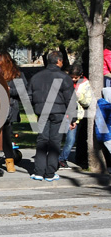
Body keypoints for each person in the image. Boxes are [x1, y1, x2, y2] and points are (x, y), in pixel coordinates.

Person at [28, 50, 75, 181]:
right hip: (58, 111)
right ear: (59, 61)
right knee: (55, 141)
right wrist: (73, 118)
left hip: (42, 111)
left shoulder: (36, 77)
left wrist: (36, 107)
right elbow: (70, 99)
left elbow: (29, 96)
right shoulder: (64, 77)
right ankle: (50, 172)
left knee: (42, 140)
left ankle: (38, 171)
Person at [0, 50, 27, 173]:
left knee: (7, 136)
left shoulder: (15, 74)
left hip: (9, 108)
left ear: (5, 61)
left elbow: (22, 92)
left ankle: (9, 161)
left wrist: (9, 90)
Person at [59, 64, 93, 169]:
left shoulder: (85, 84)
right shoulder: (64, 81)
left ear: (80, 75)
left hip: (76, 115)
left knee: (71, 140)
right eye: (72, 77)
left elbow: (87, 102)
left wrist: (79, 97)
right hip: (63, 113)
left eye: (76, 77)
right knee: (58, 138)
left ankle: (62, 159)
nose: (73, 79)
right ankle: (53, 158)